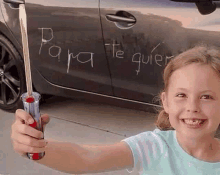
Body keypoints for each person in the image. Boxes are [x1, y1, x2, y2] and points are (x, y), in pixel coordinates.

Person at [11, 44, 220, 174]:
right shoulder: (152, 147)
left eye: (206, 97)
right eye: (181, 95)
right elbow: (86, 157)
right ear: (165, 101)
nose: (192, 107)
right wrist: (35, 147)